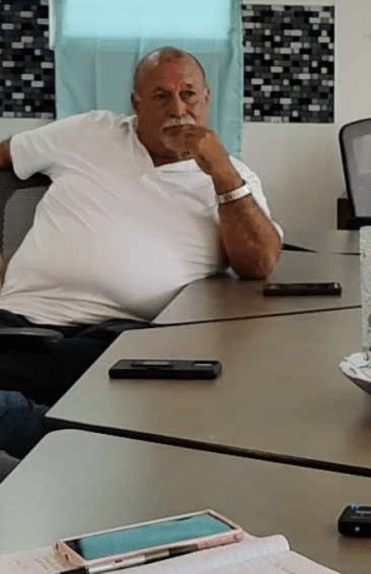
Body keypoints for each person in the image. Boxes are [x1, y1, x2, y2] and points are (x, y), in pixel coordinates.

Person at [0, 47, 282, 464]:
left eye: (189, 95)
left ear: (207, 99)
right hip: (20, 327)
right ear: (135, 103)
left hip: (127, 342)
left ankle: (47, 433)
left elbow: (258, 265)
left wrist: (221, 173)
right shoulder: (89, 132)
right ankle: (68, 440)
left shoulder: (234, 177)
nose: (178, 109)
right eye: (161, 96)